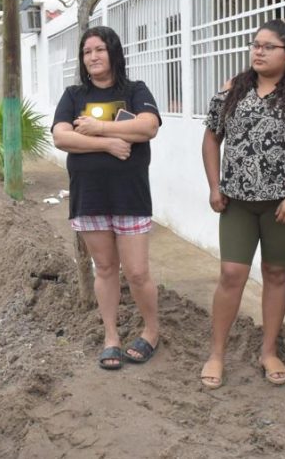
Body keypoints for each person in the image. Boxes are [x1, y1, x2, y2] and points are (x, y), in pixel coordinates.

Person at [200, 19, 285, 389]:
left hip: (282, 206)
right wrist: (214, 186)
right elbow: (211, 139)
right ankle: (217, 354)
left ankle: (269, 351)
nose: (258, 51)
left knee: (276, 274)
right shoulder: (233, 90)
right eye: (255, 44)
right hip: (237, 203)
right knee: (231, 275)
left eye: (268, 46)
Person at [51, 26, 163, 371]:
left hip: (130, 196)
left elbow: (148, 127)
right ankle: (111, 336)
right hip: (90, 196)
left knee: (138, 271)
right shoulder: (73, 95)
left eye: (100, 49)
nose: (94, 57)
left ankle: (151, 330)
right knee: (104, 268)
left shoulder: (134, 90)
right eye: (87, 52)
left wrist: (99, 128)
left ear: (113, 52)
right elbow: (60, 136)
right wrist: (108, 144)